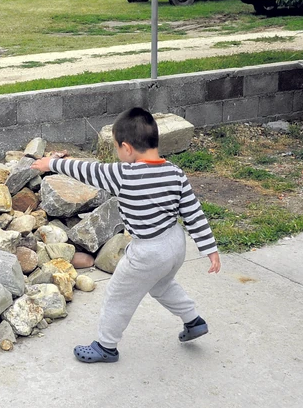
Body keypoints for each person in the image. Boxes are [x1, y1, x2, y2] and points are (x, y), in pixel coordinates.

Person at [30, 107, 221, 363]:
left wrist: (50, 163)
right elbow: (193, 213)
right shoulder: (175, 173)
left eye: (117, 149)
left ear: (127, 148)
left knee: (118, 296)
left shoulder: (124, 175)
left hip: (148, 252)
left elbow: (86, 170)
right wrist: (210, 249)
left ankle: (106, 346)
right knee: (162, 285)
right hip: (175, 243)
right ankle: (193, 320)